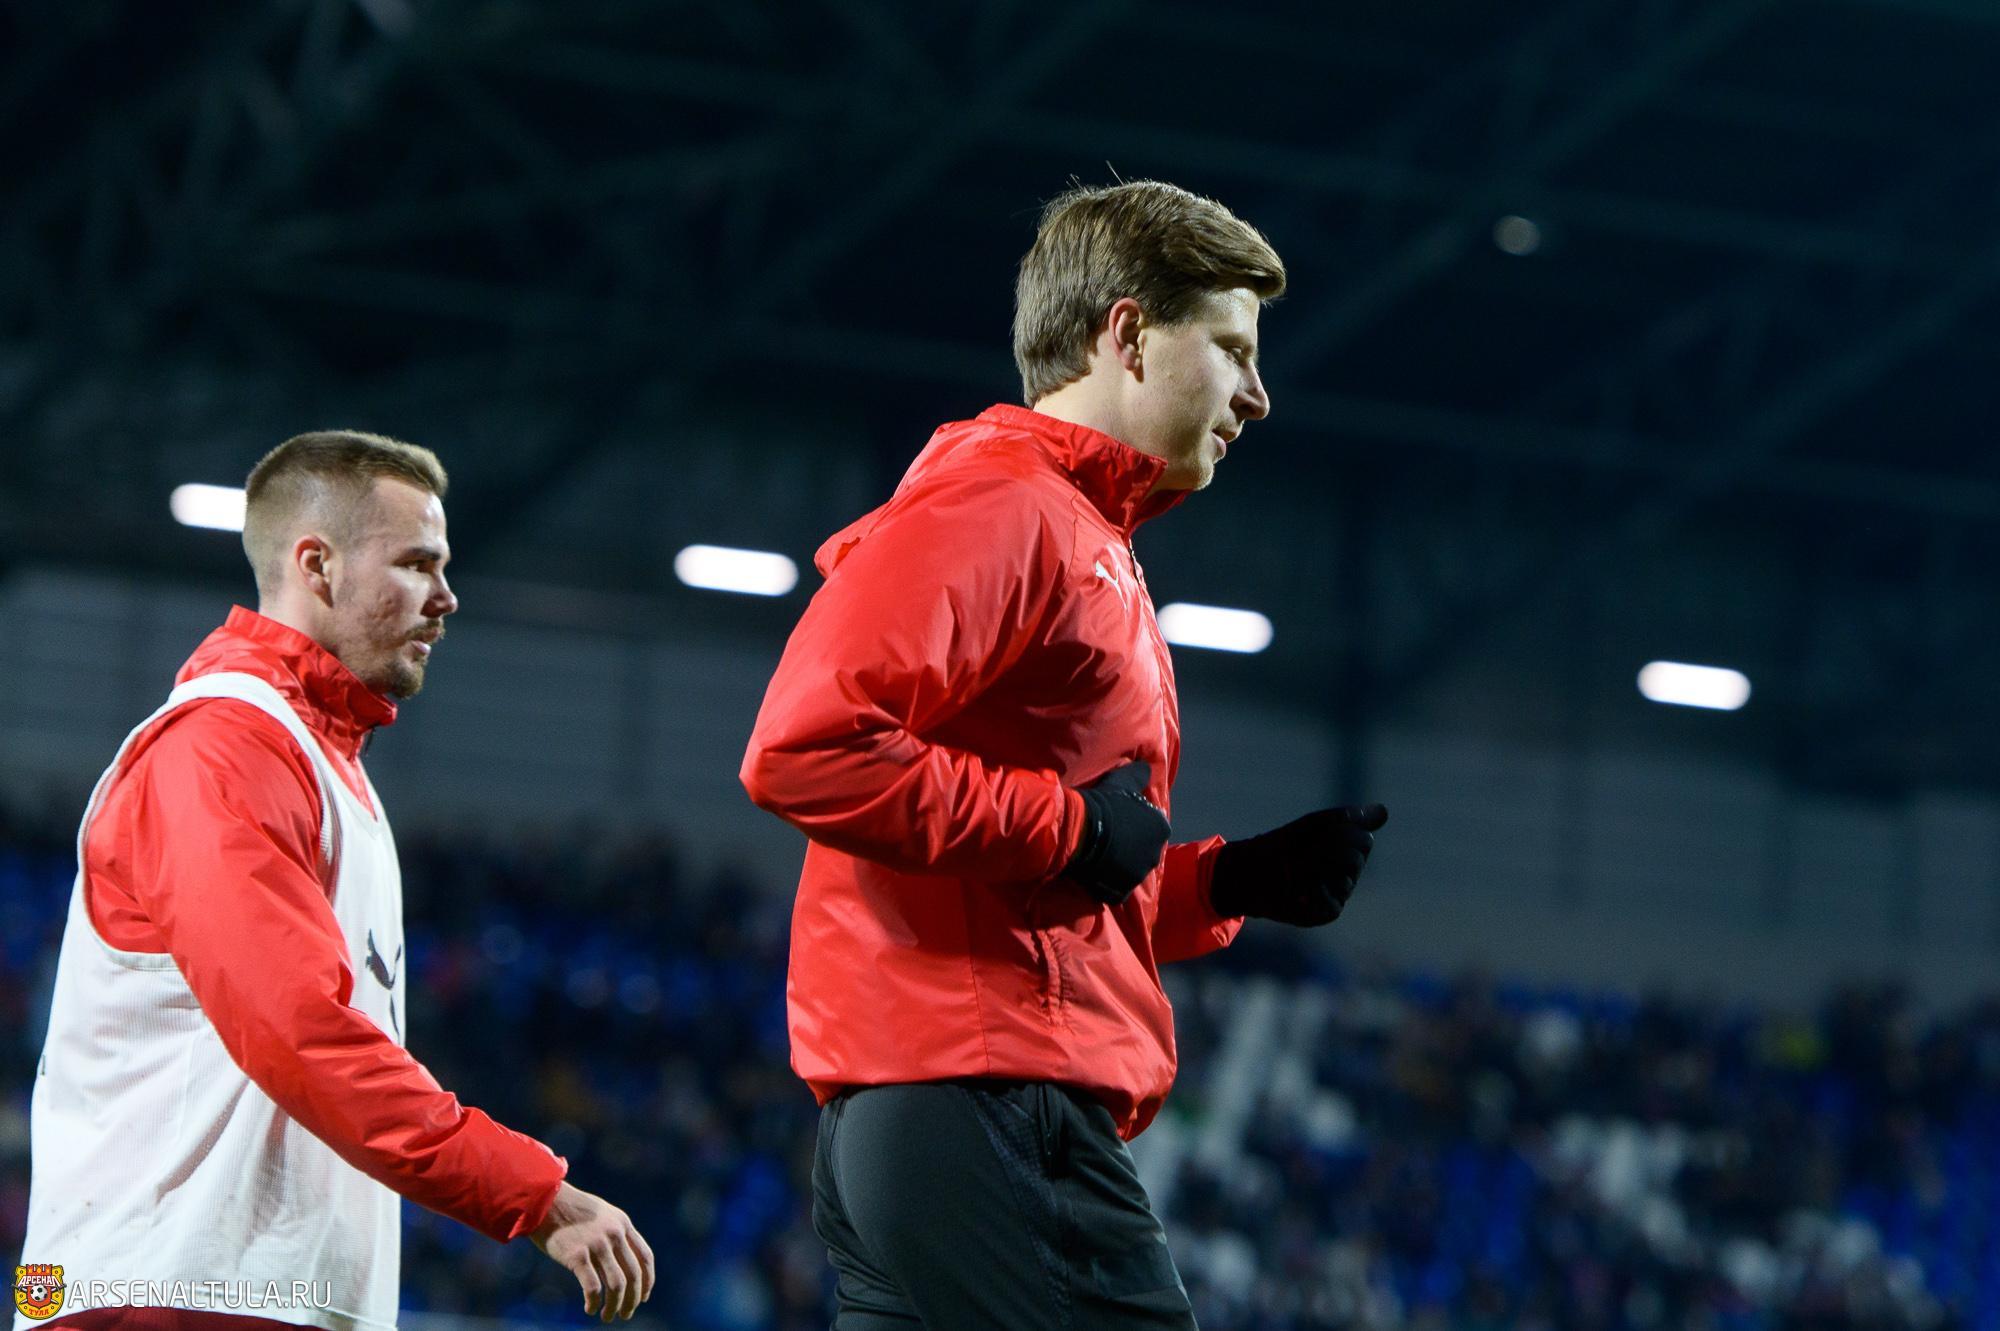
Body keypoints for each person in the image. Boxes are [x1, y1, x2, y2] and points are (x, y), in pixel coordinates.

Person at [740, 181, 1390, 1329]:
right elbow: (805, 746)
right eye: (1232, 349)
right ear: (1128, 335)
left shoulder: (1076, 531)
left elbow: (1038, 884)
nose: (1257, 394)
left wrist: (1218, 882)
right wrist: (1073, 827)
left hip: (936, 1109)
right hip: (988, 1099)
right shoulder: (1007, 507)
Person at [15, 432, 653, 1331]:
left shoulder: (318, 759)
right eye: (417, 564)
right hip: (162, 1295)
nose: (446, 596)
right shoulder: (224, 747)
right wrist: (536, 1193)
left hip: (231, 1293)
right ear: (316, 565)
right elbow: (301, 1033)